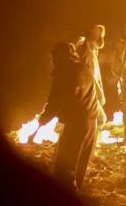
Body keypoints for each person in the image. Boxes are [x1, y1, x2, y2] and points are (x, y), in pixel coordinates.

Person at [36, 41, 103, 192]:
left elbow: (55, 101)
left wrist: (43, 119)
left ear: (61, 56)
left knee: (64, 170)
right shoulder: (83, 67)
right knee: (78, 168)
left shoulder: (64, 72)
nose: (53, 61)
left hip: (76, 124)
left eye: (55, 57)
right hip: (91, 122)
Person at [79, 24, 107, 127]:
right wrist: (100, 94)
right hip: (88, 90)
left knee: (92, 118)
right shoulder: (88, 53)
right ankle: (90, 142)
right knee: (100, 119)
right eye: (94, 34)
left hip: (88, 90)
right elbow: (90, 76)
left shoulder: (93, 52)